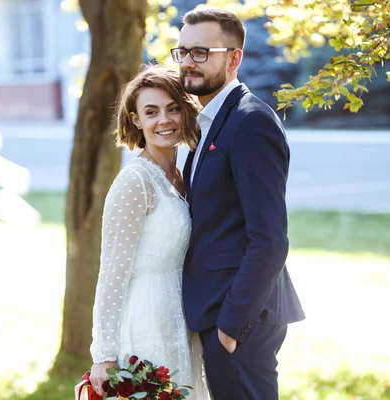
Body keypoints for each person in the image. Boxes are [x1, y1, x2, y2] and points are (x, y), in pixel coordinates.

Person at [173, 7, 306, 400]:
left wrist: (230, 327)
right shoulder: (211, 120)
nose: (187, 63)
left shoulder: (250, 122)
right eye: (181, 52)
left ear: (234, 58)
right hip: (217, 312)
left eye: (201, 53)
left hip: (241, 319)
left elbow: (269, 239)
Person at [88, 65, 209, 400]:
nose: (164, 120)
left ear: (186, 111)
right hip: (146, 320)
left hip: (181, 317)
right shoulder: (134, 181)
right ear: (136, 120)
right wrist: (104, 355)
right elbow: (112, 272)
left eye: (173, 109)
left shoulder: (183, 174)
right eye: (151, 112)